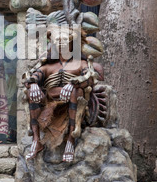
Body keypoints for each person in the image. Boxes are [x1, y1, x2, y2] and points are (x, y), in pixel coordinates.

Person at [24, 25, 103, 163]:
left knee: (75, 91)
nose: (61, 42)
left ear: (72, 41)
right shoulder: (48, 66)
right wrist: (33, 84)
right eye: (58, 39)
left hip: (73, 101)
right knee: (31, 92)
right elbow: (30, 77)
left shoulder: (81, 63)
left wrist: (74, 83)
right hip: (49, 101)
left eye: (65, 39)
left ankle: (71, 140)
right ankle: (36, 140)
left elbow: (89, 78)